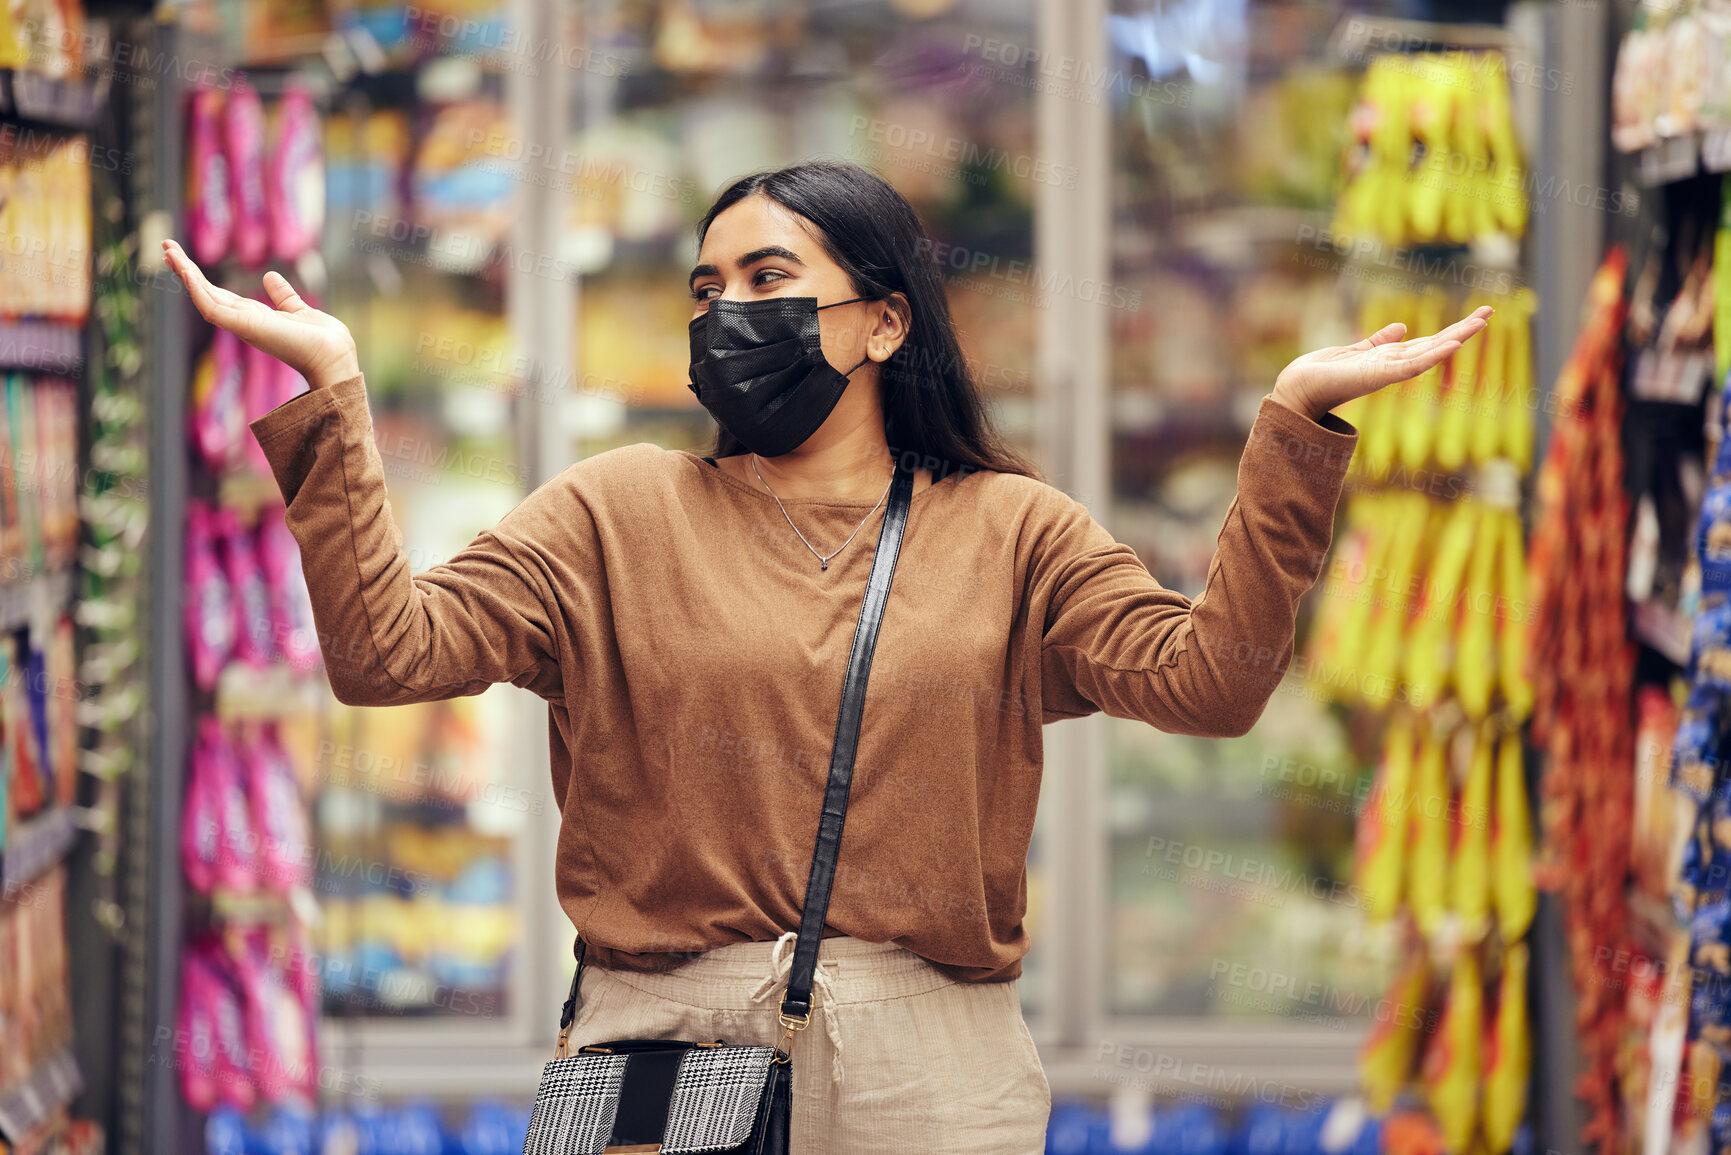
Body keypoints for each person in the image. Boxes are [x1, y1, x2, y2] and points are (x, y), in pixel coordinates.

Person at [162, 160, 1490, 1154]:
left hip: (931, 1073)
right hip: (662, 1052)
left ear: (883, 324)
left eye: (768, 281)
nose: (726, 312)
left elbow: (1212, 683)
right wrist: (335, 394)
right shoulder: (615, 511)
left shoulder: (1008, 531)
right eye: (708, 288)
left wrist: (1295, 428)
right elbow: (389, 654)